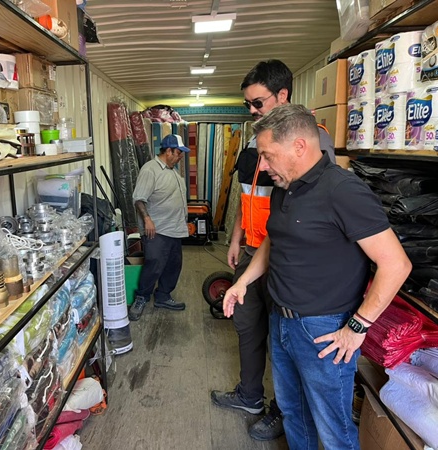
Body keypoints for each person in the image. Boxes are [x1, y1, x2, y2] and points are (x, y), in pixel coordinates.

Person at [223, 104, 412, 449]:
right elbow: (273, 241)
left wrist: (357, 327)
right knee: (294, 415)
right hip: (282, 321)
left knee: (333, 430)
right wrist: (243, 281)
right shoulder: (284, 186)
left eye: (267, 155)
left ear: (299, 146)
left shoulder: (343, 190)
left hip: (324, 332)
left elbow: (396, 265)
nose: (262, 166)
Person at [211, 59, 335, 441]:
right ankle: (250, 395)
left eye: (258, 102)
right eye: (247, 104)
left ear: (282, 95)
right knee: (247, 326)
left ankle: (284, 410)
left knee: (285, 340)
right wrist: (236, 238)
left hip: (283, 257)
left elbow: (316, 206)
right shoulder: (256, 140)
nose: (251, 110)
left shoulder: (311, 140)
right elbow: (247, 195)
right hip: (252, 250)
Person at [128, 134, 190, 321]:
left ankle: (163, 296)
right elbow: (138, 198)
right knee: (154, 264)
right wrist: (147, 219)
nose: (181, 156)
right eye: (178, 153)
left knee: (173, 265)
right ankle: (141, 297)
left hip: (175, 228)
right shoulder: (150, 169)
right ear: (168, 151)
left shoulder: (173, 171)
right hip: (157, 228)